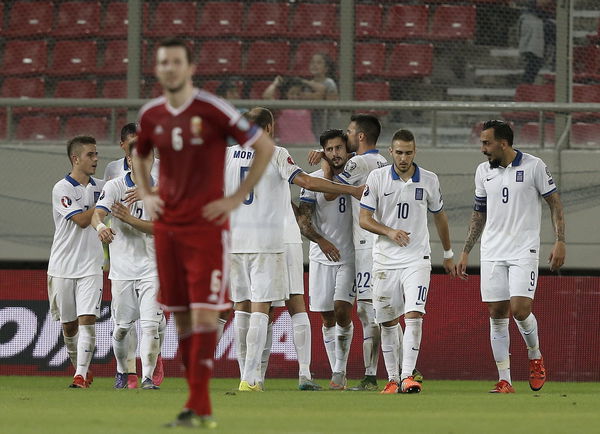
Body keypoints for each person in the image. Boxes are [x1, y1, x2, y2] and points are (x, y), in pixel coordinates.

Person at [133, 38, 276, 429]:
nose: (169, 68)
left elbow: (263, 145)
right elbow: (140, 153)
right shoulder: (151, 115)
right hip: (167, 229)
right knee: (179, 319)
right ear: (157, 68)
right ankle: (196, 401)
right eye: (163, 62)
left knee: (205, 314)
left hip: (206, 229)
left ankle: (200, 404)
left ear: (190, 67)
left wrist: (237, 197)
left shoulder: (212, 109)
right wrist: (146, 192)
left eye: (176, 62)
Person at [227, 108, 364, 392]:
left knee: (242, 306)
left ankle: (248, 375)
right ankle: (253, 378)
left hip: (235, 241)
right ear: (268, 127)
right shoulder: (275, 152)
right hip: (268, 242)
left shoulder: (226, 155)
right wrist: (352, 190)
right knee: (268, 307)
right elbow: (307, 182)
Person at [456, 120, 566, 393]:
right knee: (496, 313)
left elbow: (554, 203)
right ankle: (505, 379)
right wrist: (466, 249)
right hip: (492, 251)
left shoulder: (534, 166)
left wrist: (560, 241)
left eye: (486, 143)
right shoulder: (483, 171)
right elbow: (479, 213)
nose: (482, 149)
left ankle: (535, 355)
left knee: (520, 309)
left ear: (503, 143)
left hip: (523, 250)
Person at [359, 129, 456, 394]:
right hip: (384, 261)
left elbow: (440, 216)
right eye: (399, 152)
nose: (403, 158)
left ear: (415, 152)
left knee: (414, 315)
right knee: (388, 322)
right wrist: (390, 231)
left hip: (417, 259)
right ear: (391, 152)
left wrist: (448, 253)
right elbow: (364, 219)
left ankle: (407, 376)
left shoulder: (429, 180)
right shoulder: (377, 178)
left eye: (408, 153)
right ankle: (392, 379)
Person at [92, 138, 166, 390]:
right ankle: (123, 371)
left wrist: (129, 220)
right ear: (130, 160)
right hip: (122, 269)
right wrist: (102, 226)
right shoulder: (114, 186)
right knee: (122, 329)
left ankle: (147, 378)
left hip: (152, 268)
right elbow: (97, 213)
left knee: (150, 326)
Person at [331, 114, 389, 390]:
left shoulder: (358, 162)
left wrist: (321, 159)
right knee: (379, 310)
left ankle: (371, 375)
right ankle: (399, 369)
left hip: (367, 244)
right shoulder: (381, 162)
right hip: (376, 244)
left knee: (368, 312)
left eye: (350, 131)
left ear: (362, 136)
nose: (347, 135)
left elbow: (330, 187)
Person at [297, 129, 355, 384]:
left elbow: (333, 191)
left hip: (349, 256)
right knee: (327, 317)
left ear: (347, 149)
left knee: (342, 310)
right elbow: (304, 222)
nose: (335, 153)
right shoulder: (312, 179)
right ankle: (336, 370)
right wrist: (321, 241)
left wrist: (323, 158)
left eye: (339, 148)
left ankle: (339, 370)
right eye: (329, 149)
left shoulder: (357, 173)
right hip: (322, 257)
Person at [47, 135, 105, 388]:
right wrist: (106, 203)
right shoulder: (62, 188)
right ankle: (80, 368)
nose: (96, 159)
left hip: (91, 265)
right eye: (90, 155)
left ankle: (80, 375)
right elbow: (82, 221)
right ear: (75, 158)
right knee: (69, 326)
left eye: (96, 154)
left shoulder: (102, 185)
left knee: (88, 319)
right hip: (62, 266)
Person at [262, 76, 316, 145]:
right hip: (287, 143)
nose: (295, 97)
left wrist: (304, 81)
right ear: (286, 94)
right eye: (292, 93)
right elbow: (266, 96)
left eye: (298, 94)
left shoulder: (306, 106)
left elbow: (321, 90)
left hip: (307, 143)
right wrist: (275, 84)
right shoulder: (282, 107)